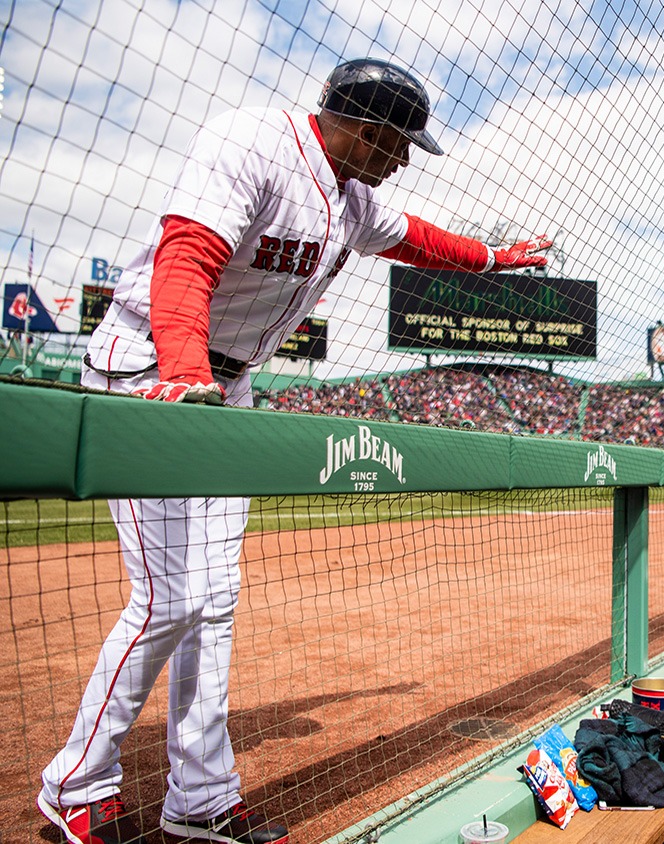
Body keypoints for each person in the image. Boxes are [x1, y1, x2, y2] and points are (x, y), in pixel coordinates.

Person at [39, 58, 552, 844]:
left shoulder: (353, 200)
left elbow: (418, 241)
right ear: (363, 127)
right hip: (150, 368)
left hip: (226, 387)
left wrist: (496, 257)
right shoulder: (251, 142)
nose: (405, 159)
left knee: (215, 602)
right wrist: (182, 377)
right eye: (399, 142)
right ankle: (76, 784)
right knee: (171, 598)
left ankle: (200, 800)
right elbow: (188, 256)